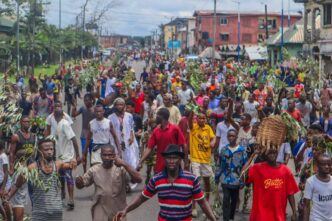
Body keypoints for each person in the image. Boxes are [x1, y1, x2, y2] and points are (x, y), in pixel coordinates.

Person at [114, 144, 217, 221]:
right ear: (164, 159)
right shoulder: (157, 179)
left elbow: (202, 203)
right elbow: (141, 198)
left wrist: (213, 219)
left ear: (180, 159)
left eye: (174, 158)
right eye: (168, 158)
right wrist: (126, 210)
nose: (171, 161)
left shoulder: (191, 179)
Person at [5, 137, 77, 221]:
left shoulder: (57, 164)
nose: (50, 152)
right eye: (46, 150)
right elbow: (17, 185)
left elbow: (71, 166)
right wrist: (8, 197)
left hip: (56, 211)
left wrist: (73, 161)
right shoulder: (32, 168)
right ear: (39, 151)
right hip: (39, 212)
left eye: (51, 149)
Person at [75, 144, 142, 221]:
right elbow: (80, 185)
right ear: (101, 156)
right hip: (100, 210)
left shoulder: (121, 169)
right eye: (104, 155)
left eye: (110, 155)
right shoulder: (94, 170)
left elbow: (139, 179)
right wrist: (78, 182)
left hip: (118, 211)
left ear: (114, 155)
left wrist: (124, 163)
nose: (107, 157)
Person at [244, 148, 299, 221]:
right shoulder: (257, 168)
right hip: (260, 216)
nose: (272, 155)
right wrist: (253, 156)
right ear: (265, 154)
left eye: (274, 152)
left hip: (278, 216)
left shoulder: (285, 171)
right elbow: (243, 176)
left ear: (278, 153)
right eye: (269, 153)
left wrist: (294, 212)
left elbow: (290, 193)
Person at [137, 108, 187, 173]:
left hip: (173, 165)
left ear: (161, 117)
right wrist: (141, 161)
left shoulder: (175, 129)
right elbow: (149, 148)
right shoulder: (156, 131)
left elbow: (184, 145)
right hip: (159, 166)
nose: (155, 118)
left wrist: (186, 162)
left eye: (157, 115)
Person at [215, 129, 247, 221]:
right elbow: (219, 164)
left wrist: (243, 181)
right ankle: (226, 219)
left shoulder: (241, 150)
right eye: (229, 136)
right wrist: (216, 178)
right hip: (225, 179)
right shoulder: (224, 150)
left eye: (233, 136)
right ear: (227, 137)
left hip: (236, 180)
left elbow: (245, 167)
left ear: (236, 137)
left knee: (234, 200)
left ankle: (231, 217)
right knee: (226, 199)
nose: (231, 138)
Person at [188, 111, 216, 217]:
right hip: (195, 159)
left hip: (206, 160)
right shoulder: (193, 127)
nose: (202, 120)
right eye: (200, 118)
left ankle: (207, 205)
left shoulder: (208, 128)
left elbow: (213, 137)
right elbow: (189, 121)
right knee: (196, 183)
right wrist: (192, 111)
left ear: (206, 119)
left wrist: (213, 141)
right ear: (197, 119)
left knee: (208, 183)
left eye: (204, 118)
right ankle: (194, 207)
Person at [8, 116, 35, 221]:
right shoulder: (16, 136)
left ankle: (34, 210)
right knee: (19, 192)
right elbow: (11, 153)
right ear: (20, 123)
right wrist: (11, 168)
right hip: (20, 168)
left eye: (28, 122)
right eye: (25, 122)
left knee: (32, 190)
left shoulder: (33, 136)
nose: (27, 123)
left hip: (31, 168)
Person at [108, 98, 140, 185]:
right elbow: (110, 133)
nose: (119, 106)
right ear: (114, 106)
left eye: (121, 104)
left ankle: (129, 183)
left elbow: (131, 128)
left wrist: (131, 137)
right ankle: (121, 183)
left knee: (130, 162)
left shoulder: (129, 116)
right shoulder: (110, 118)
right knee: (118, 163)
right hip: (116, 143)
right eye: (118, 104)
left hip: (128, 143)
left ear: (124, 106)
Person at [303, 154, 332, 221]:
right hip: (316, 218)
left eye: (329, 164)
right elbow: (306, 206)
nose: (327, 166)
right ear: (317, 166)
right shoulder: (311, 182)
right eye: (324, 164)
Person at [71, 93, 96, 173]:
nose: (86, 102)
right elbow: (73, 115)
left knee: (93, 156)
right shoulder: (83, 109)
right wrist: (74, 107)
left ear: (92, 100)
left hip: (93, 137)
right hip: (84, 135)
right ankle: (85, 172)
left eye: (87, 100)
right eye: (85, 100)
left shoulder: (95, 110)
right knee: (84, 155)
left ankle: (91, 172)